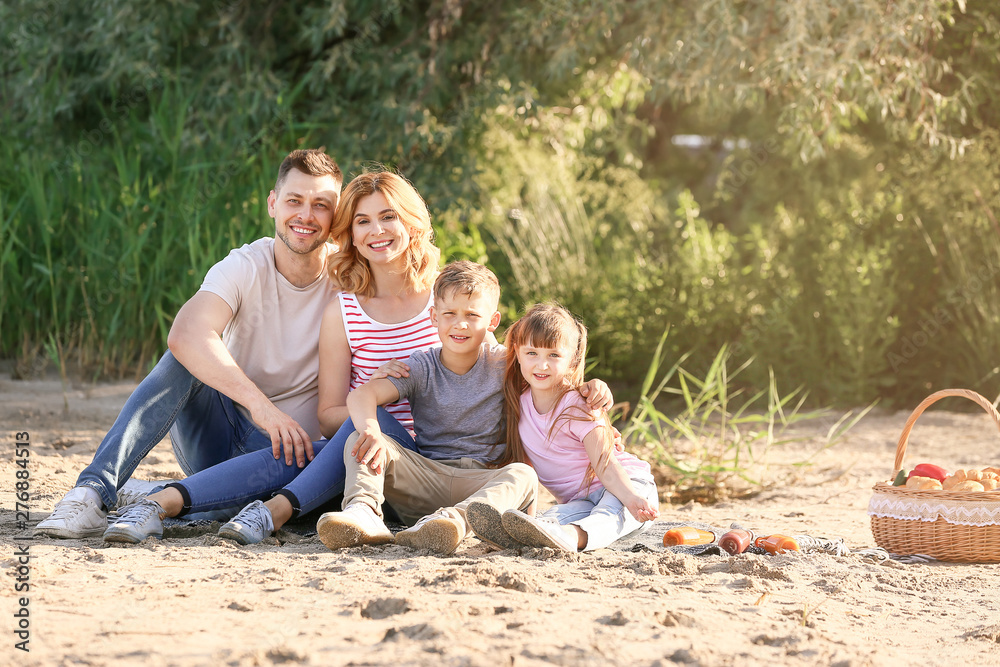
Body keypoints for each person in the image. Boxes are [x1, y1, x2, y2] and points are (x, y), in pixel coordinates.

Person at [101, 170, 442, 544]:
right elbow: (329, 417)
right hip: (355, 455)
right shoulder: (342, 308)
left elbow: (481, 380)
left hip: (420, 462)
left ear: (412, 221)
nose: (377, 230)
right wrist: (366, 412)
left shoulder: (448, 300)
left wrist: (376, 406)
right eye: (363, 221)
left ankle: (261, 509)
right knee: (316, 447)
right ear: (351, 236)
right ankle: (156, 502)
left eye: (388, 216)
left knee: (363, 426)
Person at [35, 149, 345, 539]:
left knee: (263, 497)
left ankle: (154, 495)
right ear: (272, 203)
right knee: (185, 355)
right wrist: (262, 408)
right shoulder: (245, 265)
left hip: (289, 459)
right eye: (294, 201)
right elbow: (185, 334)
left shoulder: (349, 278)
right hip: (219, 432)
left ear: (337, 216)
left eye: (321, 205)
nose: (306, 215)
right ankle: (91, 492)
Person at [315, 261, 537, 555]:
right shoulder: (421, 366)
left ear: (493, 321)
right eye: (449, 314)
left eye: (472, 315)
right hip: (426, 476)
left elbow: (555, 383)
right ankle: (364, 511)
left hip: (479, 482)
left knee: (523, 475)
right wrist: (371, 429)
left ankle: (454, 522)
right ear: (434, 317)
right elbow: (360, 397)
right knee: (359, 437)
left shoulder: (506, 364)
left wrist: (591, 390)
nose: (460, 324)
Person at [492, 303, 660, 553]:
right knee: (549, 518)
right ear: (517, 352)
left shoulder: (579, 405)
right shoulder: (519, 403)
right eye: (532, 353)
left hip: (625, 485)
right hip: (580, 502)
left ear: (573, 359)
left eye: (554, 355)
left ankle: (572, 538)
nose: (542, 365)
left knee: (609, 514)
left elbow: (605, 464)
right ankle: (523, 535)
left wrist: (632, 498)